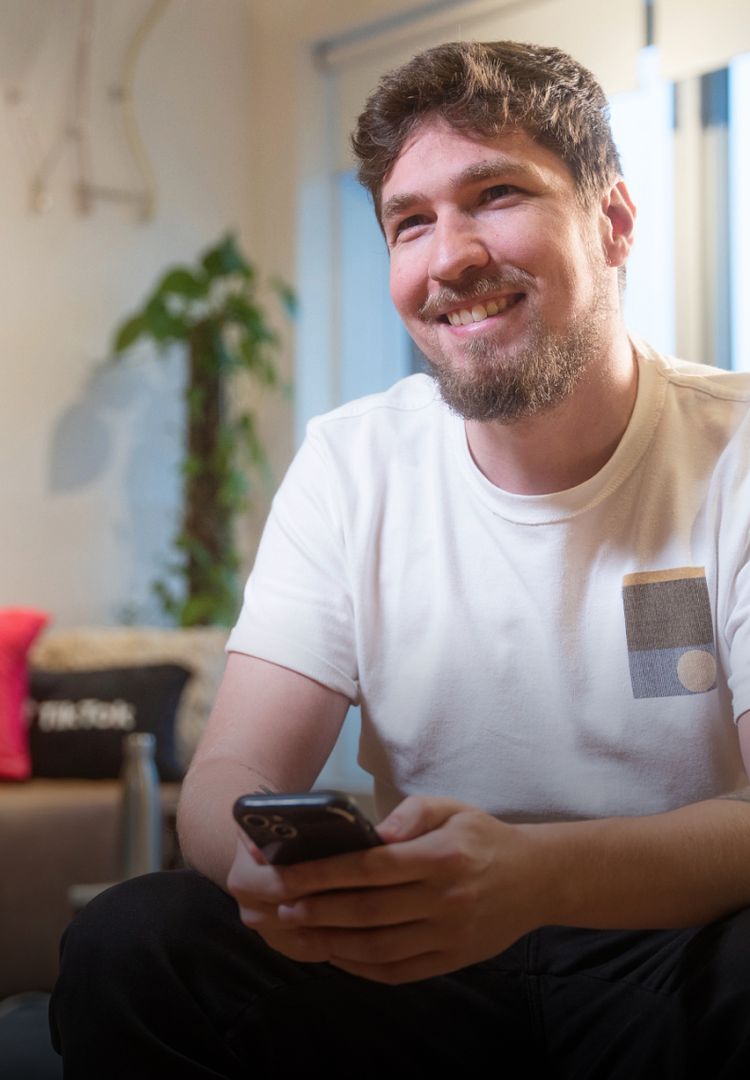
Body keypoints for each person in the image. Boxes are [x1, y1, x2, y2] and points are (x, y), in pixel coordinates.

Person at [50, 41, 750, 1078]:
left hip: (679, 951)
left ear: (613, 223)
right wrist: (267, 870)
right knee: (134, 942)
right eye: (409, 222)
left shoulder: (733, 450)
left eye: (495, 193)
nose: (449, 257)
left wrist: (540, 878)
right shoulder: (350, 463)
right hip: (422, 964)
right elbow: (232, 773)